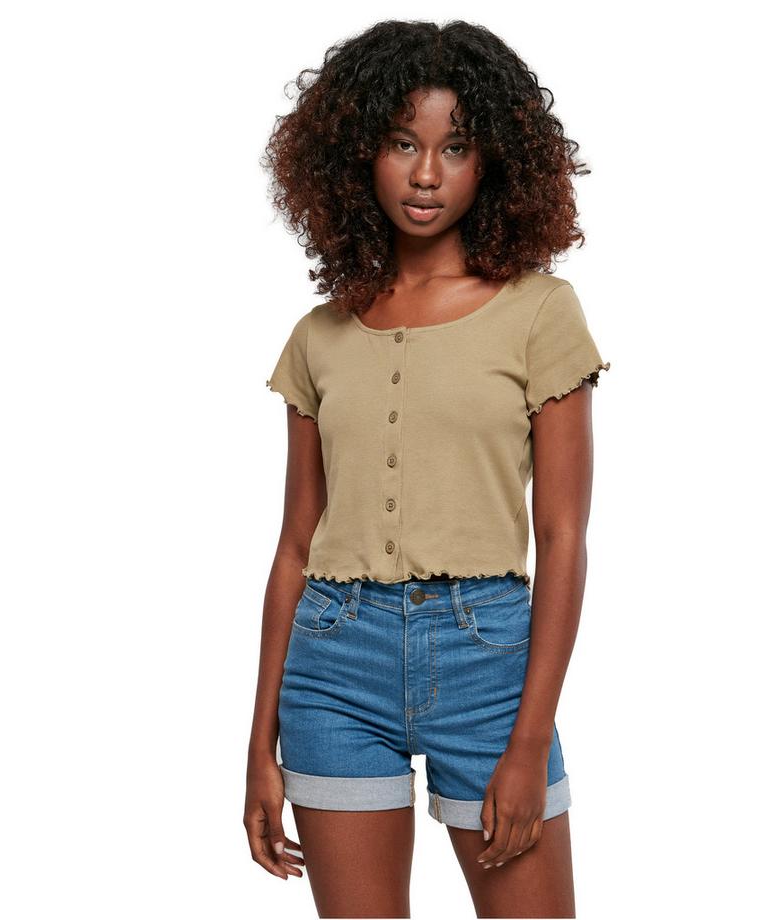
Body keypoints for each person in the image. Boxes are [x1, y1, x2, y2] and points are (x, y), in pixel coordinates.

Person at [245, 20, 610, 919]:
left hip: (488, 663)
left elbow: (564, 538)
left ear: (495, 164)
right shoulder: (320, 336)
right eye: (403, 143)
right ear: (357, 155)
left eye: (456, 147)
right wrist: (259, 744)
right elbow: (295, 546)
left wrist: (528, 742)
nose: (425, 175)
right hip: (332, 666)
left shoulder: (541, 313)